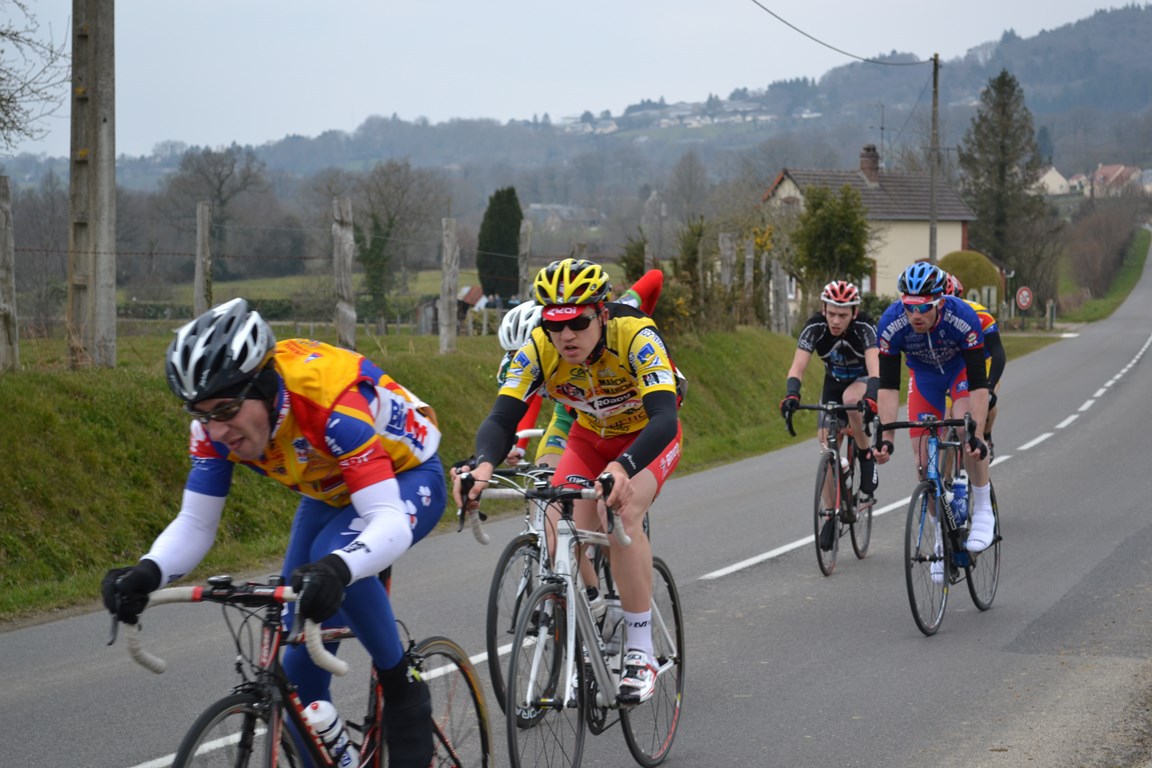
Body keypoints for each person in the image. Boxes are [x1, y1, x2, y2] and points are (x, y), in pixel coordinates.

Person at [101, 298, 443, 767]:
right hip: (328, 489)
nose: (217, 430)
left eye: (226, 409)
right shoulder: (213, 427)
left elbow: (385, 519)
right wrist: (148, 571)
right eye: (202, 414)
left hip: (406, 476)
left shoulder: (329, 403)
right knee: (296, 677)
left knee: (330, 557)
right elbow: (197, 523)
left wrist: (340, 568)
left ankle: (402, 687)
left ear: (265, 386)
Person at [454, 257, 682, 706]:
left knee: (620, 515)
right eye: (555, 325)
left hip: (645, 437)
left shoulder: (635, 335)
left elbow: (664, 417)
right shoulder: (539, 347)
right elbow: (502, 418)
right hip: (587, 437)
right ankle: (587, 629)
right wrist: (482, 466)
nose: (566, 335)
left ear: (602, 313)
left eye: (578, 322)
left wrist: (623, 467)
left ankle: (640, 652)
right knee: (558, 528)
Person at [873, 263, 995, 563]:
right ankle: (940, 536)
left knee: (966, 429)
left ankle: (983, 508)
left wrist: (979, 434)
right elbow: (888, 385)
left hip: (959, 372)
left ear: (939, 301)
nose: (915, 315)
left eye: (923, 308)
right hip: (924, 378)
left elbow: (979, 383)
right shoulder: (891, 322)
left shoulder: (962, 317)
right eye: (910, 307)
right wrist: (886, 436)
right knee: (923, 462)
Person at [779, 280, 880, 544]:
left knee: (850, 400)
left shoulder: (865, 327)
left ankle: (865, 455)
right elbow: (797, 367)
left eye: (842, 315)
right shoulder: (815, 327)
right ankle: (831, 514)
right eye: (832, 313)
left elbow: (874, 368)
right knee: (826, 447)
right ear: (824, 309)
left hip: (861, 381)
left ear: (854, 313)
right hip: (833, 383)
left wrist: (871, 397)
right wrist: (792, 394)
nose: (835, 321)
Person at [944, 273, 1006, 458]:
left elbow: (998, 352)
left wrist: (990, 386)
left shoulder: (979, 314)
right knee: (945, 422)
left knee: (985, 398)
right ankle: (947, 474)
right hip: (954, 364)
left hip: (982, 360)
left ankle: (986, 435)